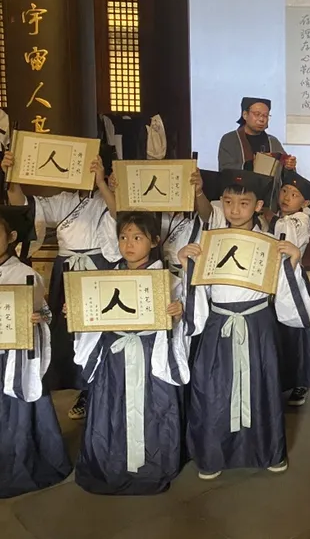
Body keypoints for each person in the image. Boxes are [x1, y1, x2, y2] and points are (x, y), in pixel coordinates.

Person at [180, 169, 310, 479]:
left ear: (258, 206)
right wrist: (187, 262)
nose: (235, 210)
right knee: (213, 388)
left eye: (243, 203)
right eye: (228, 202)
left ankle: (268, 450)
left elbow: (283, 286)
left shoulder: (270, 242)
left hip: (257, 325)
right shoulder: (209, 241)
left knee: (261, 387)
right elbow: (198, 286)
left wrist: (293, 261)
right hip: (218, 323)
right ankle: (213, 454)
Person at [73, 212, 189, 495]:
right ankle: (111, 461)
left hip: (151, 353)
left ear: (154, 241)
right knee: (113, 404)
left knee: (153, 407)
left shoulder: (169, 278)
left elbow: (185, 313)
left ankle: (154, 463)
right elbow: (93, 313)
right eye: (123, 237)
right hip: (114, 356)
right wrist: (77, 310)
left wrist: (179, 312)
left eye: (137, 237)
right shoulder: (107, 277)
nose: (129, 244)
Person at [2, 146, 119, 420]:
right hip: (66, 269)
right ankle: (78, 386)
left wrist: (102, 184)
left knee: (97, 331)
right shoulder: (64, 200)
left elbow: (121, 216)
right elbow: (25, 207)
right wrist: (12, 178)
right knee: (67, 332)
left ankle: (96, 387)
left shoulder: (110, 196)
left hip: (97, 269)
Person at [0, 206, 71, 498]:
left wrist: (36, 319)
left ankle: (18, 462)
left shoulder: (26, 274)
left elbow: (45, 315)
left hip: (14, 358)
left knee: (16, 412)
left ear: (11, 237)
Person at [272, 169, 310, 407]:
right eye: (284, 190)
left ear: (306, 203)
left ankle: (301, 382)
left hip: (293, 278)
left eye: (294, 194)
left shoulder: (300, 220)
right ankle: (280, 379)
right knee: (278, 331)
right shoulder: (275, 217)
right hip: (272, 278)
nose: (286, 197)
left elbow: (287, 237)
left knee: (296, 330)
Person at [217, 97, 296, 209]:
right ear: (245, 115)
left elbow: (284, 172)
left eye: (265, 116)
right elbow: (225, 171)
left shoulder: (272, 141)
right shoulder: (230, 139)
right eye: (257, 114)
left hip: (268, 203)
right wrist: (252, 164)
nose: (261, 119)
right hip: (240, 202)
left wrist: (289, 166)